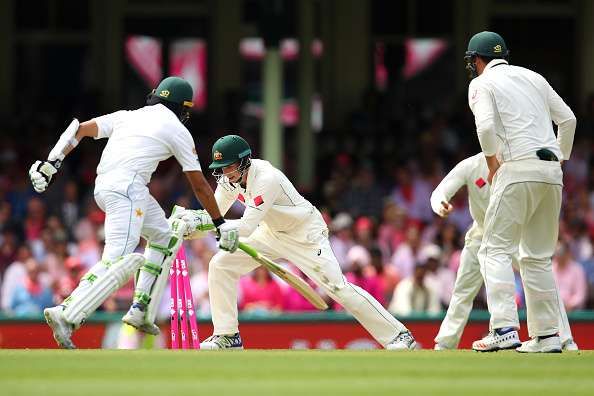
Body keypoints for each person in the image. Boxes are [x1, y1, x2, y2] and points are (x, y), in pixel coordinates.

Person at [28, 76, 238, 348]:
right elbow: (199, 184)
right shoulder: (177, 129)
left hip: (106, 187)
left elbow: (78, 129)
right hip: (127, 190)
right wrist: (220, 223)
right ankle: (66, 312)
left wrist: (51, 163)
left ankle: (141, 310)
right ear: (181, 107)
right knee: (116, 259)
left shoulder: (127, 116)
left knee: (164, 236)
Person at [178, 135, 416, 350]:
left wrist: (206, 225)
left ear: (244, 162)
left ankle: (399, 335)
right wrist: (189, 225)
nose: (225, 173)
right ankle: (227, 336)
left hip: (305, 235)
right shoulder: (228, 180)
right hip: (270, 232)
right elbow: (216, 216)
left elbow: (245, 226)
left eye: (229, 167)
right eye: (220, 168)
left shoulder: (266, 178)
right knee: (221, 265)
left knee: (338, 288)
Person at [464, 31, 576, 352]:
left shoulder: (481, 83)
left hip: (516, 167)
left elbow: (485, 127)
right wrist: (560, 159)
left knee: (493, 250)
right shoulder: (534, 77)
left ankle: (503, 328)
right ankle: (547, 336)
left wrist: (492, 162)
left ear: (477, 60)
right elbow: (568, 120)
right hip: (551, 171)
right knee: (537, 257)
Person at [430, 153, 578, 351]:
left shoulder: (518, 162)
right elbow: (440, 191)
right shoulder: (470, 165)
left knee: (539, 279)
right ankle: (445, 343)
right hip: (480, 235)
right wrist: (441, 205)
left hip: (512, 235)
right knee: (462, 291)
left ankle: (566, 340)